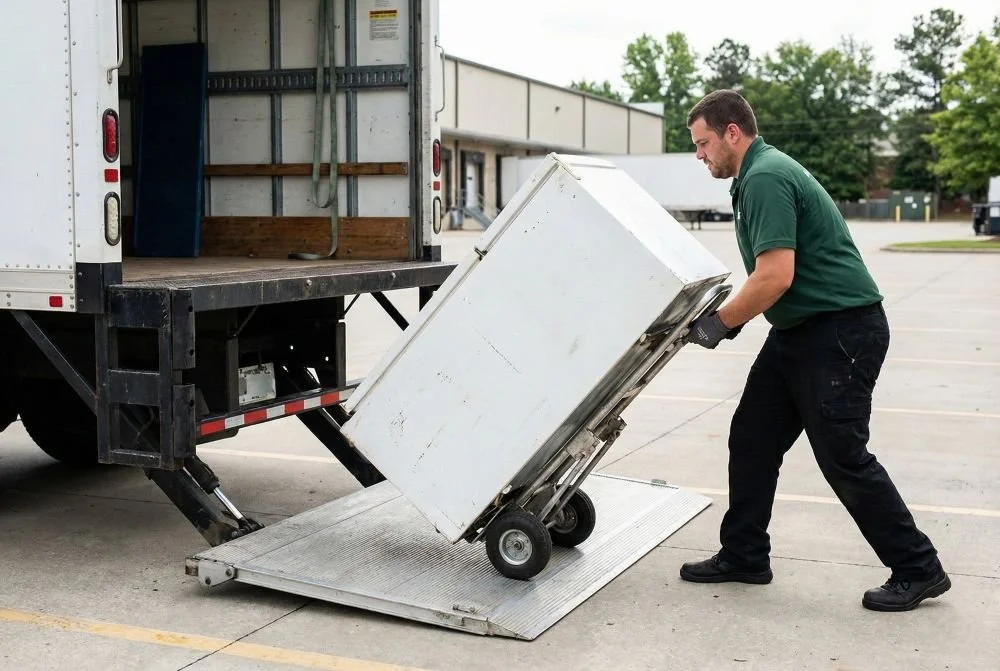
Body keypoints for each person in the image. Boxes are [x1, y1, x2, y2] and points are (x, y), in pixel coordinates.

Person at [680, 89, 950, 612]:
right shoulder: (754, 176)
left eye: (703, 143)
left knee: (842, 456)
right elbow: (772, 278)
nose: (700, 155)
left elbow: (775, 277)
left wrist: (718, 324)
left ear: (732, 133)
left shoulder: (765, 176)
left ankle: (919, 568)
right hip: (800, 333)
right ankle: (744, 555)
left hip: (839, 334)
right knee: (753, 438)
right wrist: (726, 317)